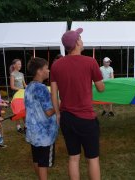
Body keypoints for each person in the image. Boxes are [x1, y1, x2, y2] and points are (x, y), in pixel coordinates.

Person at [50, 28, 105, 180]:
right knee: (92, 158)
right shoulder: (90, 62)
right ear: (77, 43)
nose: (82, 40)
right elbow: (101, 88)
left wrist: (58, 114)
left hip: (67, 118)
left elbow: (53, 93)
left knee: (73, 158)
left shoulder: (56, 65)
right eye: (80, 37)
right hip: (86, 118)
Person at [25, 57, 58, 180]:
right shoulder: (42, 88)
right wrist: (59, 104)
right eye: (46, 68)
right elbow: (49, 112)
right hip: (45, 135)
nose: (48, 71)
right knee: (43, 163)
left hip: (33, 132)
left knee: (36, 159)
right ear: (39, 71)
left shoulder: (28, 87)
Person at [9, 58, 27, 133]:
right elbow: (12, 86)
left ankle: (26, 126)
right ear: (14, 65)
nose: (20, 65)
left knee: (24, 110)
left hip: (22, 95)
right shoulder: (12, 74)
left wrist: (28, 87)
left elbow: (24, 85)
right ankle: (18, 127)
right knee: (17, 111)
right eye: (18, 64)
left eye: (20, 64)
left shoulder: (21, 74)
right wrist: (20, 90)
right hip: (16, 95)